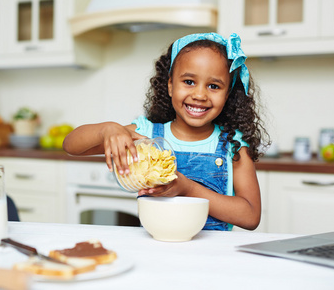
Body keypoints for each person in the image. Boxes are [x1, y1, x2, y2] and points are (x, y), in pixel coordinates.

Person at [64, 32, 270, 231]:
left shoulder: (234, 144)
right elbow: (72, 146)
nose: (199, 94)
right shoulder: (146, 135)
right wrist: (106, 130)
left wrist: (188, 189)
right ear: (170, 85)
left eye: (214, 86)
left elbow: (250, 216)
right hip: (157, 250)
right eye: (189, 82)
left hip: (212, 256)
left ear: (228, 95)